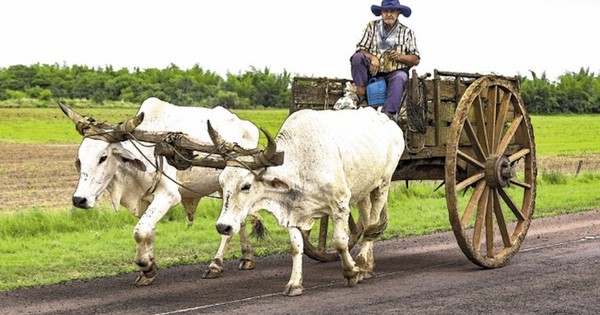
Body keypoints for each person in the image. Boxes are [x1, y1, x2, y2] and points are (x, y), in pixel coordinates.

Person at [350, 0, 420, 120]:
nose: (389, 14)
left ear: (398, 13)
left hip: (394, 72)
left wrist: (400, 56)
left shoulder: (407, 32)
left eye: (392, 11)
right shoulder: (371, 27)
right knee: (357, 58)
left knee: (400, 77)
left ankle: (388, 114)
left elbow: (416, 59)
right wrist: (372, 58)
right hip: (372, 71)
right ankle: (363, 100)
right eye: (386, 11)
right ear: (381, 13)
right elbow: (360, 49)